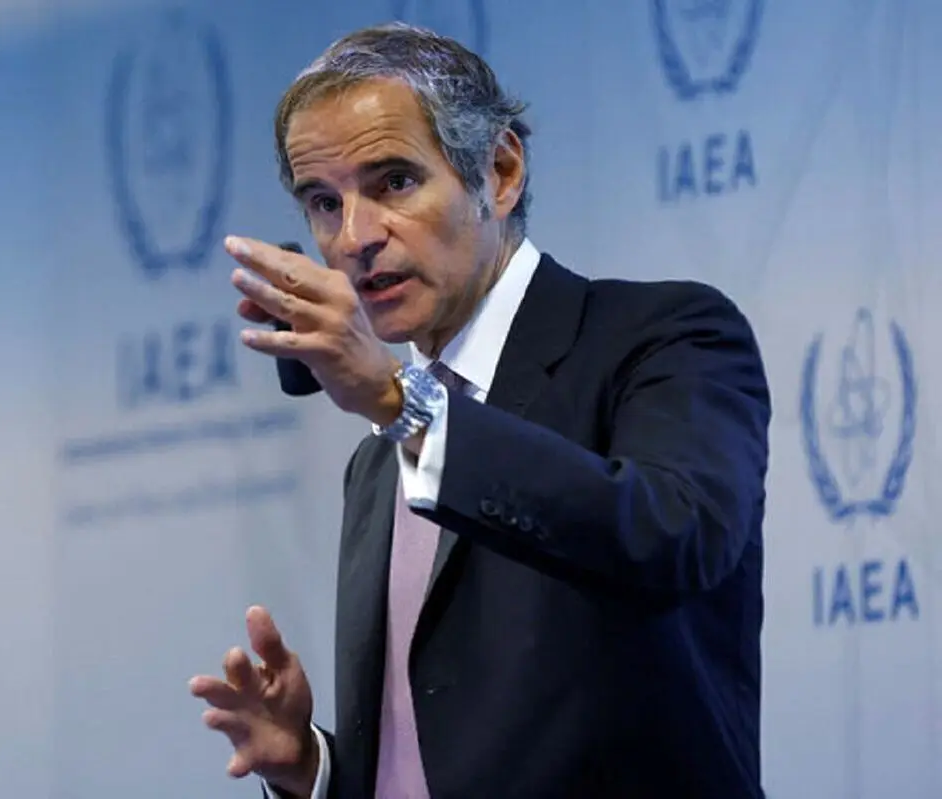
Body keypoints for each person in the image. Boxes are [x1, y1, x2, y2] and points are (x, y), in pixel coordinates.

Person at [189, 22, 770, 799]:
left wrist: (400, 402)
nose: (355, 237)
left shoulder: (663, 337)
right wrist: (311, 767)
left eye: (394, 182)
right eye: (324, 202)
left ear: (499, 172)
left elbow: (673, 537)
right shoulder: (378, 462)